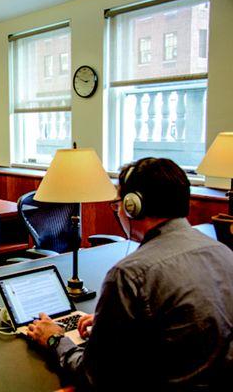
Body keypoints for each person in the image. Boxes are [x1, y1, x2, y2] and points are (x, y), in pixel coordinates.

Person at [27, 157, 233, 390]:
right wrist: (122, 323)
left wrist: (55, 339)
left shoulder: (129, 274)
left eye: (118, 203)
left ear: (133, 205)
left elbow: (94, 377)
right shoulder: (223, 252)